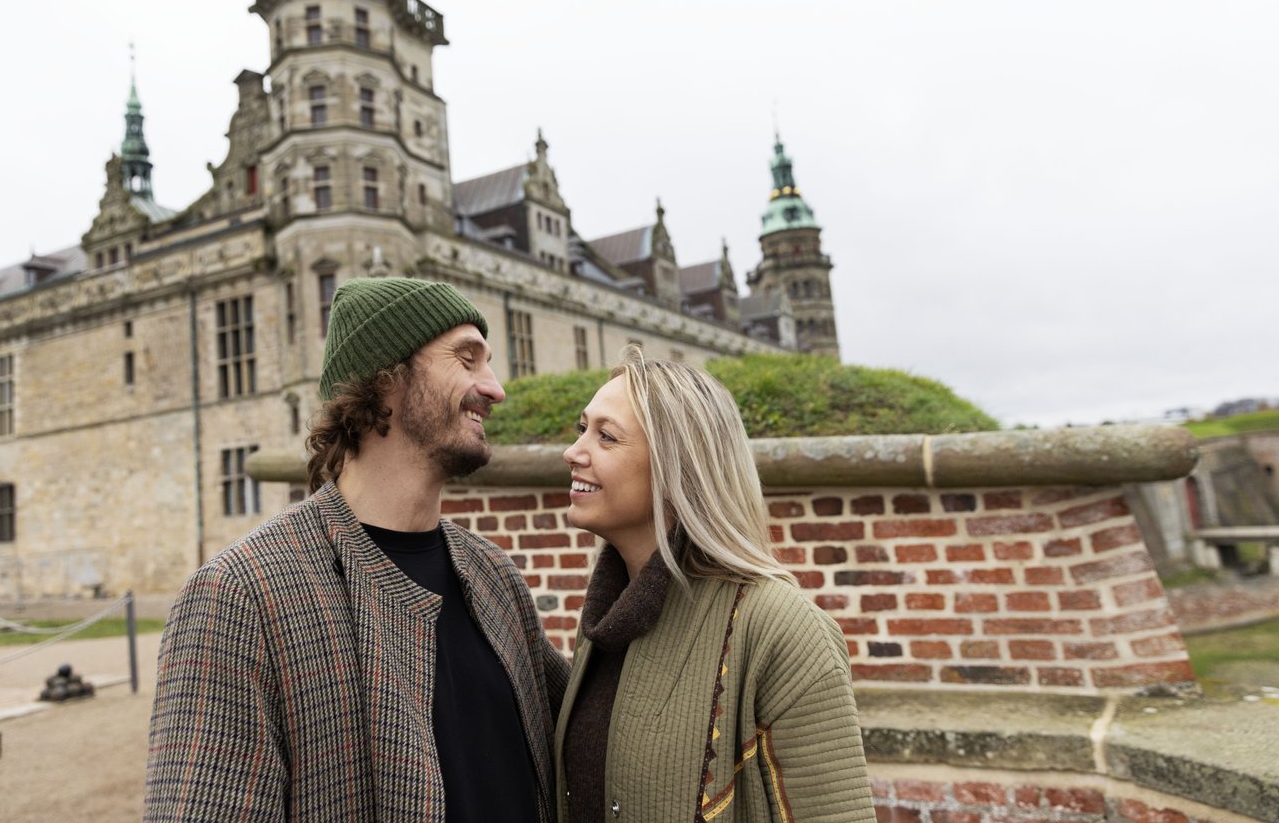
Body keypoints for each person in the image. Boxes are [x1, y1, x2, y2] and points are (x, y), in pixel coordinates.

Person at [145, 277, 569, 823]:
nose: (495, 389)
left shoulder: (493, 575)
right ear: (386, 376)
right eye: (467, 360)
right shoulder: (241, 595)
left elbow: (593, 727)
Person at [556, 349, 875, 823]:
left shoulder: (784, 629)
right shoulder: (604, 625)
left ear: (678, 466)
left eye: (606, 436)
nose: (573, 451)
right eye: (582, 428)